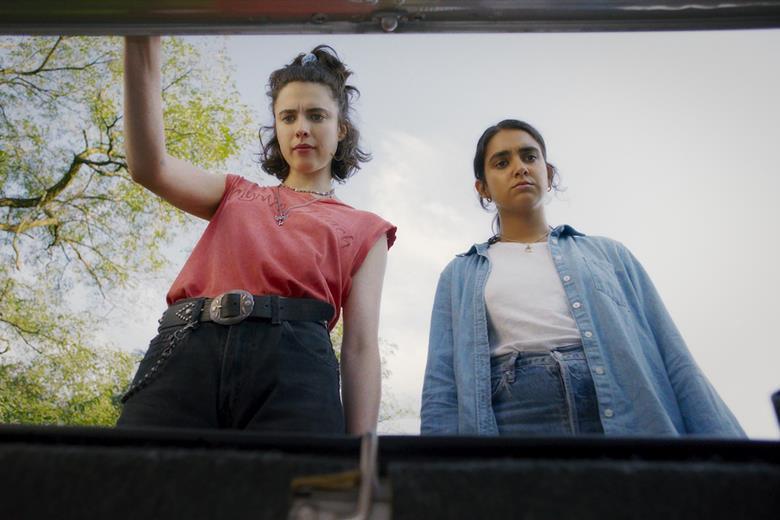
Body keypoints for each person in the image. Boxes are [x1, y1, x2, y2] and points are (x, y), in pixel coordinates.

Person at [118, 37, 396, 435]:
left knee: (292, 490)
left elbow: (361, 346)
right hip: (187, 345)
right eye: (288, 117)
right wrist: (141, 35)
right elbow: (150, 167)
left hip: (294, 365)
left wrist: (359, 451)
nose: (301, 128)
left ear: (341, 130)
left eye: (316, 115)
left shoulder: (367, 230)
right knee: (137, 484)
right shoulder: (234, 192)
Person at [421, 119, 744, 437]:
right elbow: (442, 383)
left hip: (623, 413)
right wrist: (433, 474)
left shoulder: (610, 255)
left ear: (547, 173)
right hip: (516, 421)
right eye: (502, 162)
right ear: (484, 188)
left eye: (529, 156)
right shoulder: (460, 275)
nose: (519, 168)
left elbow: (671, 353)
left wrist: (726, 450)